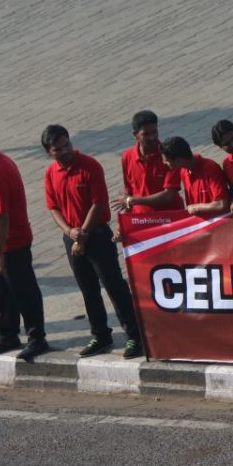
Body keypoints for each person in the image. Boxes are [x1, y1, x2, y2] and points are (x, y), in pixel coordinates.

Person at [40, 125, 142, 359]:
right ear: (49, 152)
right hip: (72, 237)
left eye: (67, 145)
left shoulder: (89, 166)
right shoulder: (50, 173)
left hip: (95, 234)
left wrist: (82, 232)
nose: (65, 151)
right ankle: (100, 334)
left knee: (114, 285)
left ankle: (135, 335)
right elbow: (53, 207)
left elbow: (98, 203)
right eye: (58, 149)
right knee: (88, 289)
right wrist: (70, 232)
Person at [0, 130, 49, 361]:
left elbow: (2, 216)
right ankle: (8, 335)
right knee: (3, 294)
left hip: (10, 246)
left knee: (24, 291)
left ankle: (37, 338)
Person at [112, 109, 183, 215]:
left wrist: (133, 201)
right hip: (141, 220)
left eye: (154, 132)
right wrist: (126, 219)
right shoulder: (127, 157)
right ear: (135, 135)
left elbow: (169, 195)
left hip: (169, 219)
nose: (152, 137)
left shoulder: (170, 155)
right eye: (146, 134)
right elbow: (128, 190)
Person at [160, 137, 232, 217]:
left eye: (167, 161)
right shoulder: (184, 171)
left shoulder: (210, 169)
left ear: (178, 160)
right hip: (202, 225)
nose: (164, 163)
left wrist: (197, 208)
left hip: (220, 224)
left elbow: (221, 204)